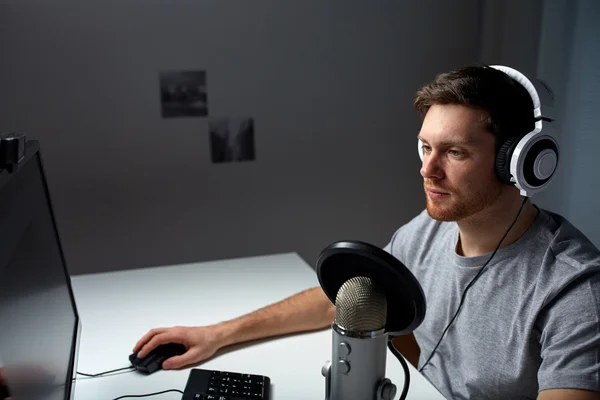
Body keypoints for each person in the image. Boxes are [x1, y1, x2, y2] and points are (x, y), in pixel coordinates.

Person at [133, 64, 600, 400]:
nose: (427, 171)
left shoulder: (574, 288)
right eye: (423, 148)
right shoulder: (431, 230)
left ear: (518, 162)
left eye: (454, 153)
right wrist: (219, 333)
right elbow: (353, 294)